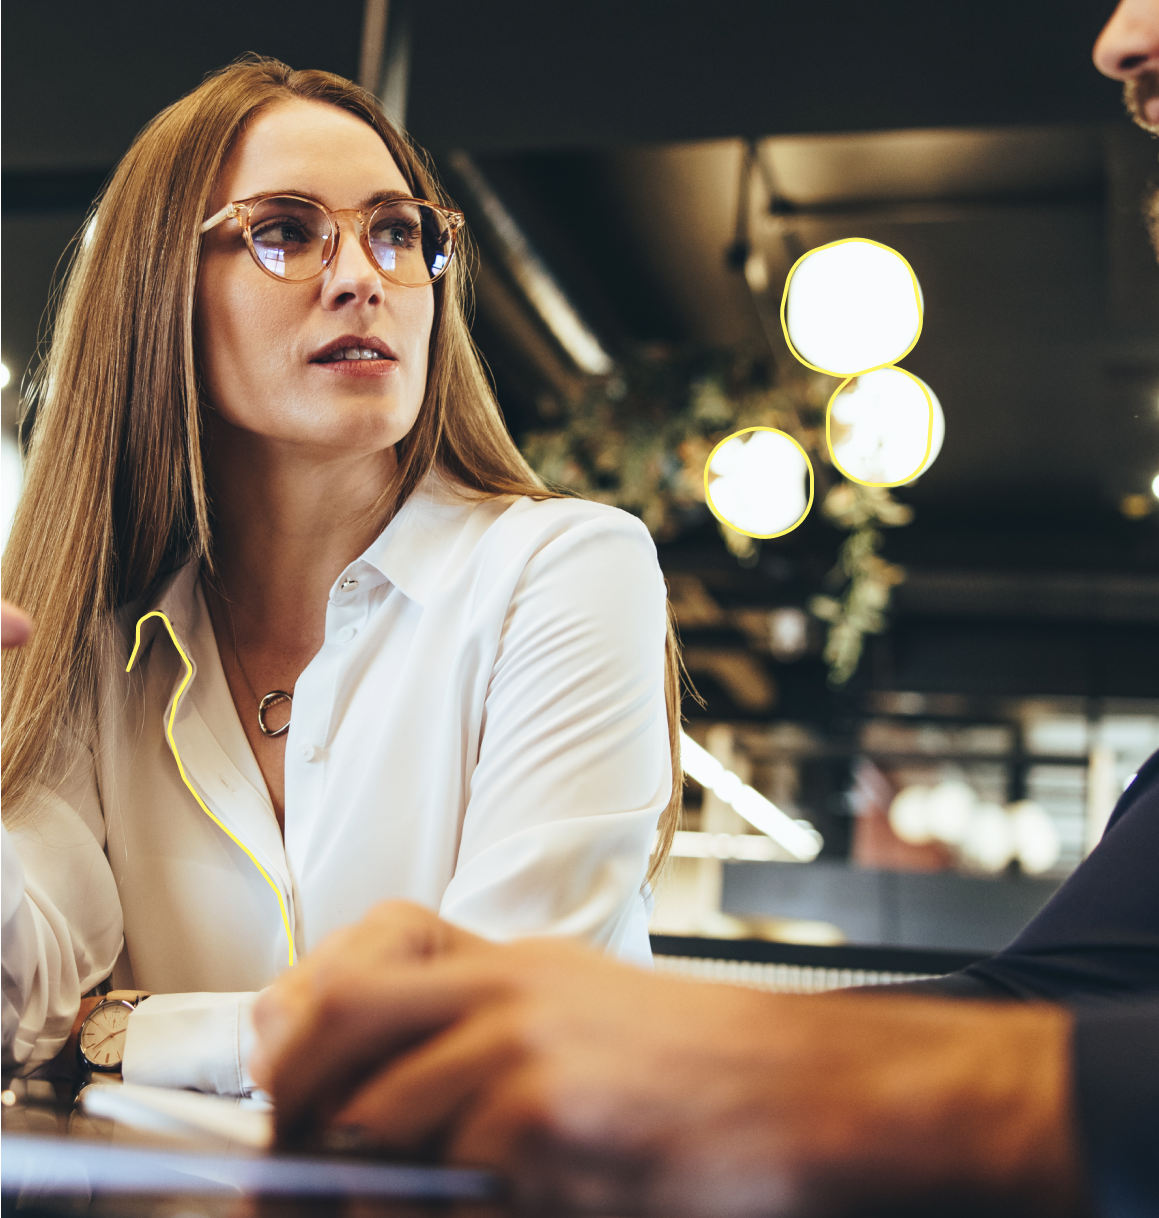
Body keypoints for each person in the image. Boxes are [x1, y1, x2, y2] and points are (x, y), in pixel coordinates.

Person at [249, 1, 1159, 1214]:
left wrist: (819, 1077)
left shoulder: (562, 564)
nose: (1121, 38)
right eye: (283, 233)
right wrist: (666, 1042)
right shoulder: (103, 622)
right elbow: (1097, 990)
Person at [0, 61, 683, 1092]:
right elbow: (20, 1001)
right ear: (159, 294)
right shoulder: (98, 644)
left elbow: (495, 1038)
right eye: (285, 229)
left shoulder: (565, 571)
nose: (364, 274)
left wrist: (121, 1033)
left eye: (397, 231)